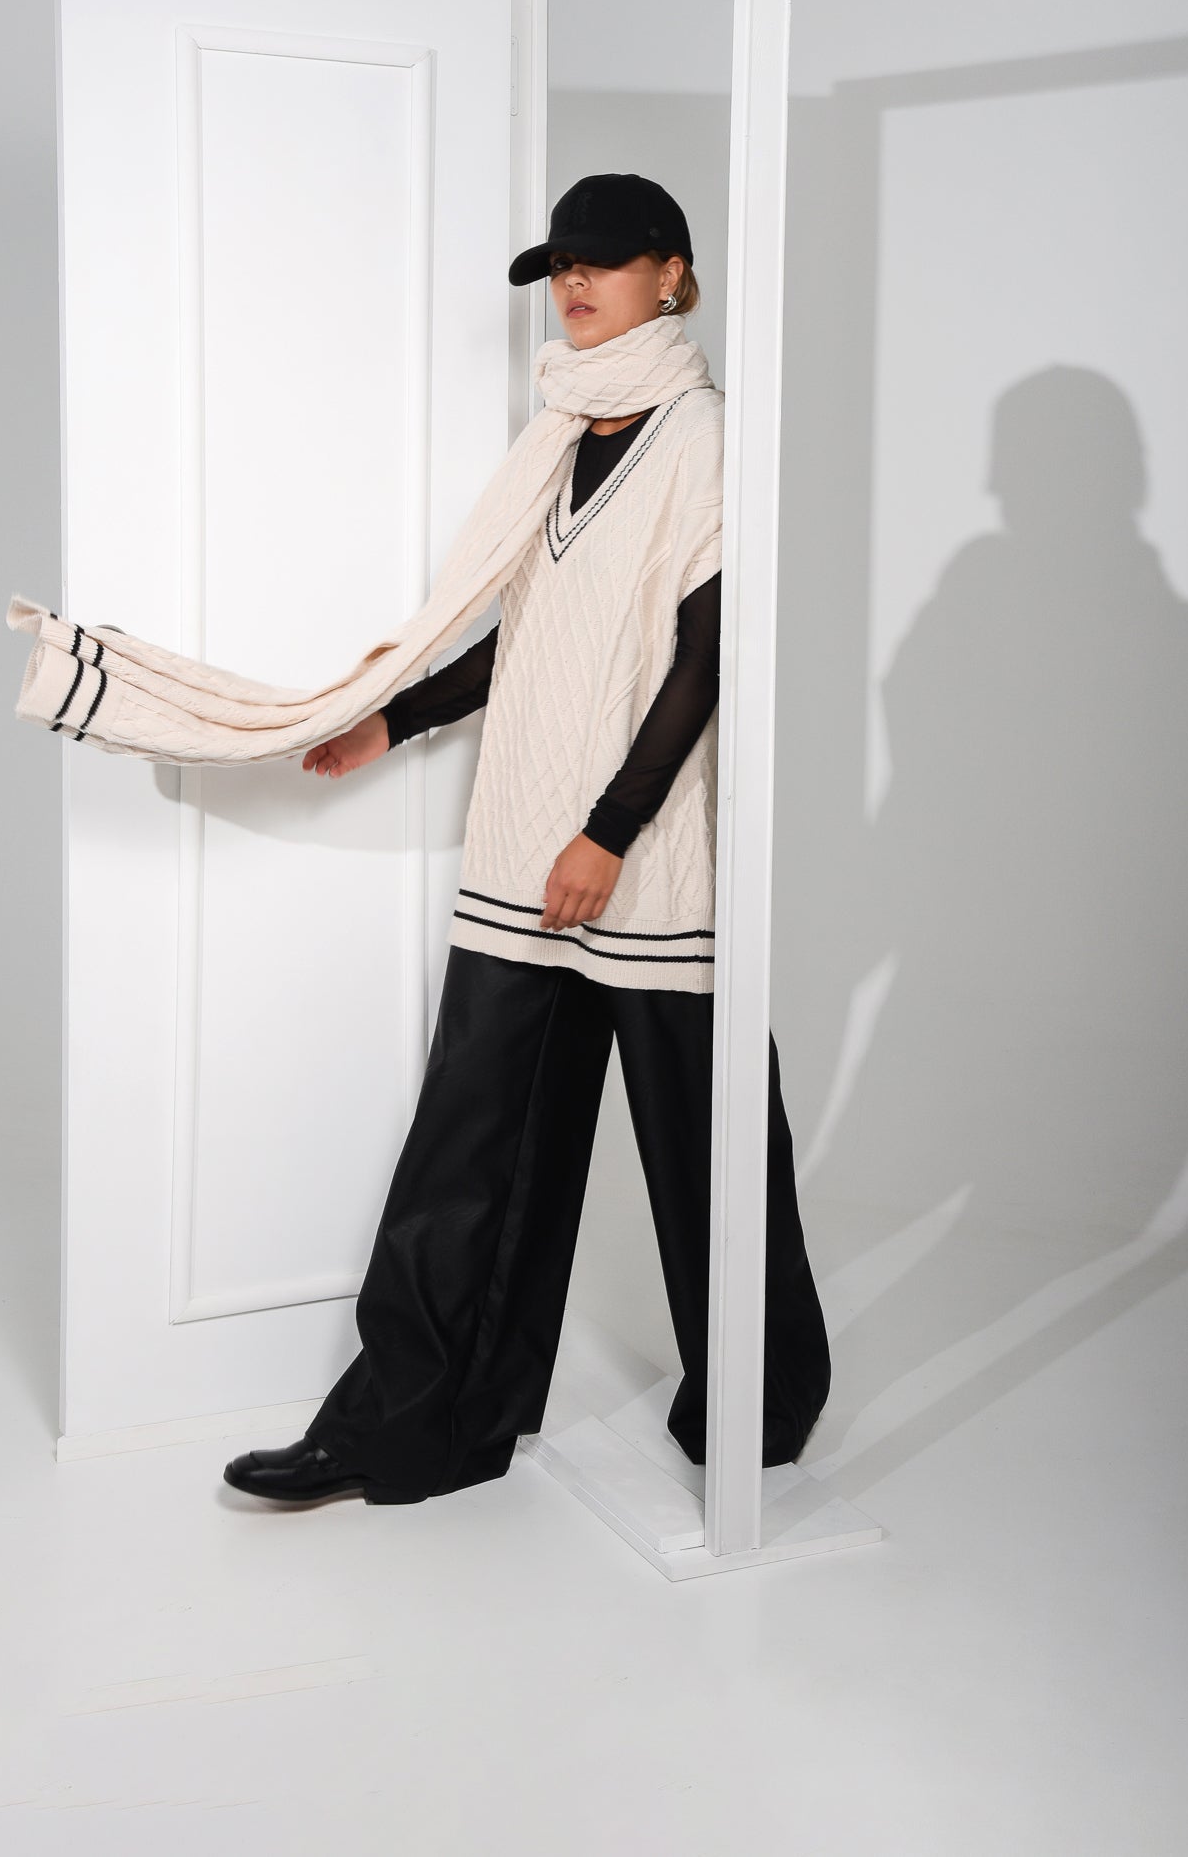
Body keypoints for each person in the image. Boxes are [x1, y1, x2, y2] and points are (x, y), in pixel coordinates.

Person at [215, 171, 832, 1505]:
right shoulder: (555, 435)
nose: (574, 285)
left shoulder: (707, 439)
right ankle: (412, 1426)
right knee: (472, 1140)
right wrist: (395, 720)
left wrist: (609, 833)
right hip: (520, 840)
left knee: (705, 1143)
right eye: (560, 265)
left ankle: (758, 1405)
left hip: (644, 856)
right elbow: (535, 638)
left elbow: (705, 655)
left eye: (602, 261)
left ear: (673, 274)